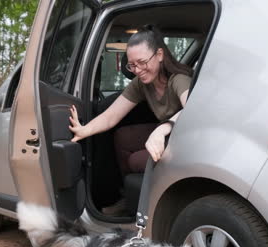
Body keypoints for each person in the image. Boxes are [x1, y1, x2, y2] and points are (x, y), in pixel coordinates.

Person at [69, 25, 193, 214]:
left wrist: (162, 129)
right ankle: (129, 198)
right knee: (122, 136)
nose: (138, 70)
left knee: (135, 160)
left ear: (159, 55)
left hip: (187, 137)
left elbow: (192, 110)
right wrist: (84, 130)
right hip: (167, 133)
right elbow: (111, 116)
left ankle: (153, 199)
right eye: (132, 65)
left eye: (142, 62)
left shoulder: (179, 79)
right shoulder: (142, 84)